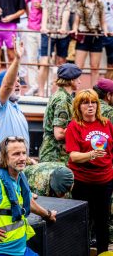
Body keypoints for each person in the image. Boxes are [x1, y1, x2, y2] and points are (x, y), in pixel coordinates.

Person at [65, 89, 113, 254]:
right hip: (82, 182)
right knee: (82, 221)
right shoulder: (74, 126)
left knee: (103, 222)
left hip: (105, 180)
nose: (90, 106)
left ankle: (103, 252)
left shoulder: (106, 123)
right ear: (78, 107)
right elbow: (73, 156)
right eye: (85, 103)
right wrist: (91, 155)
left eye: (93, 102)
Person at [38, 0, 77, 97]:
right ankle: (40, 92)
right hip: (48, 30)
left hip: (62, 33)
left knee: (62, 63)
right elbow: (45, 8)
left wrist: (63, 27)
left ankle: (59, 93)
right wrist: (43, 26)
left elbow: (68, 10)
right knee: (44, 62)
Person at [0, 38, 29, 146]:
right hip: (2, 162)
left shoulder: (16, 106)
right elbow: (7, 86)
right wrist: (17, 59)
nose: (18, 84)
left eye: (19, 81)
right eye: (14, 82)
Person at [39, 63, 82, 164]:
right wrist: (81, 128)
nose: (80, 82)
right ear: (71, 80)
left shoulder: (61, 96)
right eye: (77, 79)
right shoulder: (62, 99)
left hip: (55, 154)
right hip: (55, 156)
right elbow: (59, 133)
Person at [71, 0, 108, 87]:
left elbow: (103, 21)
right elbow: (76, 22)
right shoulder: (80, 4)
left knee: (95, 66)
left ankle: (94, 91)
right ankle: (75, 91)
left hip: (96, 36)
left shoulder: (100, 5)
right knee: (78, 67)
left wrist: (105, 31)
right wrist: (74, 30)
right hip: (83, 35)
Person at [23, 0, 50, 96]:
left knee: (46, 60)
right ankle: (33, 86)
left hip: (45, 29)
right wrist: (29, 16)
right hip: (31, 28)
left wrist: (42, 6)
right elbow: (24, 3)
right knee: (31, 59)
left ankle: (46, 87)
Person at [101, 0, 113, 79]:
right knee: (95, 65)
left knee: (110, 65)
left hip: (112, 36)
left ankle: (107, 91)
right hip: (99, 35)